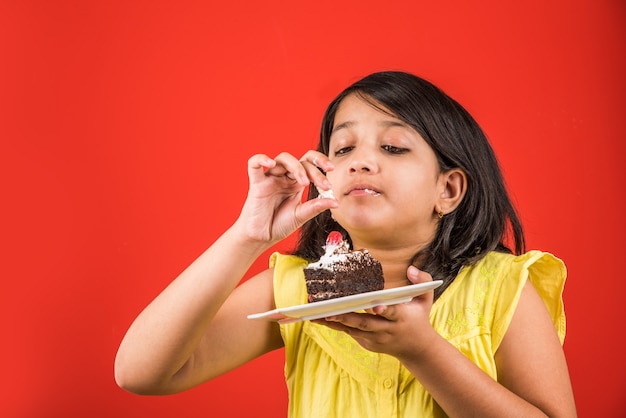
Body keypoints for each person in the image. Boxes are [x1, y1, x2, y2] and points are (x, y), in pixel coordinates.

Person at [114, 71, 577, 417]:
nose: (360, 162)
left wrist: (424, 351)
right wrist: (248, 237)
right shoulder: (306, 286)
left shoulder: (502, 287)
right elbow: (141, 374)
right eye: (343, 149)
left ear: (449, 190)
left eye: (393, 147)